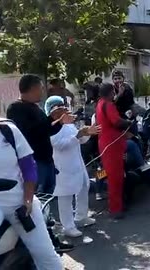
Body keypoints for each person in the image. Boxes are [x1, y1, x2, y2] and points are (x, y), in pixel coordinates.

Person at [0, 86, 63, 270]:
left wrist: (28, 199)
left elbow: (28, 166)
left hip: (18, 200)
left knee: (46, 254)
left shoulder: (9, 131)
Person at [7, 74, 75, 194]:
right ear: (33, 88)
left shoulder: (36, 108)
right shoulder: (16, 108)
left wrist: (60, 121)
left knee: (48, 200)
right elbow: (30, 133)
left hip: (47, 162)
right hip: (34, 163)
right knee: (38, 200)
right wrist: (52, 118)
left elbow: (47, 130)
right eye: (41, 88)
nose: (43, 91)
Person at [46, 96, 99, 237]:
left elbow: (79, 139)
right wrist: (78, 135)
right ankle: (68, 226)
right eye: (58, 108)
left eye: (63, 107)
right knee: (65, 195)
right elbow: (59, 145)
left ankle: (81, 217)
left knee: (83, 187)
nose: (63, 110)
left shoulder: (68, 124)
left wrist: (87, 132)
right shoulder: (51, 127)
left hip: (77, 162)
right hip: (62, 166)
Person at [96, 83, 132, 219]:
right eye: (114, 92)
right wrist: (129, 122)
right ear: (110, 92)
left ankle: (117, 205)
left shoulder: (100, 103)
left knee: (111, 174)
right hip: (112, 145)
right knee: (115, 177)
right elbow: (116, 122)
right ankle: (115, 209)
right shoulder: (108, 105)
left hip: (107, 143)